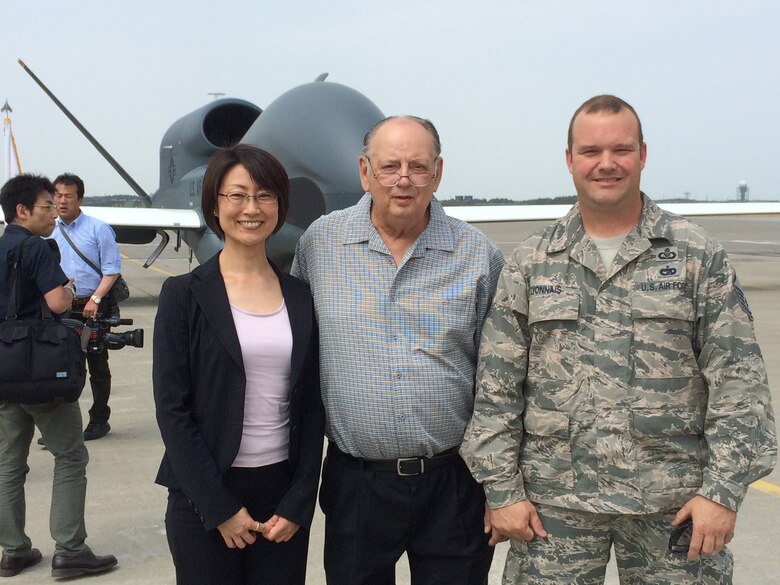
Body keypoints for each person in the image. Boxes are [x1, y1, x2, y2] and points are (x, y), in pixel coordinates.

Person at [460, 95, 777, 584]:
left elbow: (740, 383)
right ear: (570, 160)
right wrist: (502, 491)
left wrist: (721, 492)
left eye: (621, 150)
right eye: (590, 151)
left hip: (672, 505)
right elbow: (496, 388)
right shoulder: (531, 262)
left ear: (643, 155)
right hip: (554, 509)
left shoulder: (695, 255)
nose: (606, 164)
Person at [291, 116, 504, 585]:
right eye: (390, 166)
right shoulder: (321, 245)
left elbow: (502, 381)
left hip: (455, 483)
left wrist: (502, 484)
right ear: (365, 172)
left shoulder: (478, 255)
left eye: (417, 166)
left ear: (438, 172)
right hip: (357, 484)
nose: (403, 179)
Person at [153, 144, 323, 585]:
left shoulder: (301, 296)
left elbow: (310, 408)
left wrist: (298, 503)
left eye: (265, 195)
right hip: (205, 495)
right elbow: (173, 411)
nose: (252, 208)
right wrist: (220, 509)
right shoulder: (183, 294)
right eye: (237, 195)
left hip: (280, 498)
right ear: (214, 204)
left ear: (280, 206)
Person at [0, 174, 118, 578]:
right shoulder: (36, 248)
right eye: (47, 206)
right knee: (69, 456)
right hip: (41, 372)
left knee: (9, 464)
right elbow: (55, 302)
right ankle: (70, 550)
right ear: (22, 211)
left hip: (4, 370)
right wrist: (67, 290)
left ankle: (13, 550)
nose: (54, 213)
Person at [49, 173, 121, 441]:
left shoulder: (98, 229)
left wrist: (96, 299)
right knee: (60, 367)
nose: (62, 201)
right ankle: (60, 428)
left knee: (97, 366)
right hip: (59, 308)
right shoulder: (50, 229)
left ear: (80, 198)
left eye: (68, 196)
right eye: (57, 195)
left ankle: (99, 420)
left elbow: (111, 270)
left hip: (91, 307)